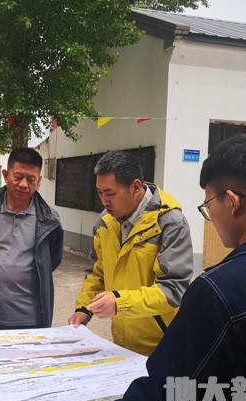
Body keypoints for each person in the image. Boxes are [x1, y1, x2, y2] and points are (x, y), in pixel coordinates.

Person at [56, 135, 246, 401]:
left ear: (232, 202)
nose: (210, 217)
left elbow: (166, 396)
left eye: (208, 205)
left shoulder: (219, 291)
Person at [68, 150, 193, 356]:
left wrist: (119, 303)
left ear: (135, 187)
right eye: (99, 192)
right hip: (123, 344)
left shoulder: (170, 223)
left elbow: (173, 290)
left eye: (110, 193)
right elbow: (97, 273)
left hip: (162, 346)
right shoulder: (106, 222)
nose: (104, 200)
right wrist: (84, 309)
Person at [0, 147, 64, 330]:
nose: (23, 184)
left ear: (39, 181)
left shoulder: (49, 220)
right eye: (18, 177)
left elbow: (52, 259)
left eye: (31, 179)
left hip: (31, 318)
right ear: (5, 175)